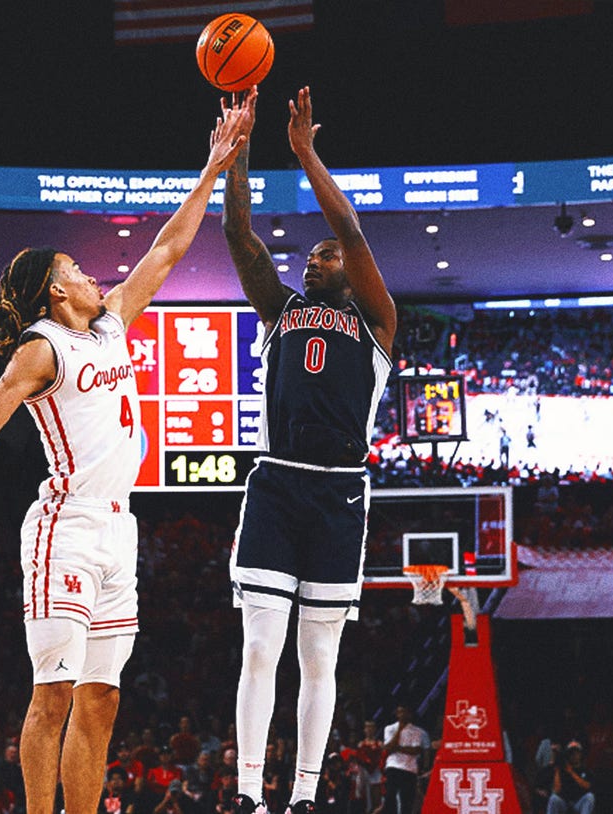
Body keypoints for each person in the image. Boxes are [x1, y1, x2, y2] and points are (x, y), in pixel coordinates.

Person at [0, 95, 252, 814]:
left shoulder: (113, 322)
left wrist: (213, 167)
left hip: (119, 530)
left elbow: (168, 249)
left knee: (101, 701)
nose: (97, 276)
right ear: (57, 290)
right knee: (54, 693)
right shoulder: (43, 348)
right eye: (80, 269)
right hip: (64, 527)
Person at [221, 85, 396, 814]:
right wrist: (239, 149)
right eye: (312, 256)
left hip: (340, 491)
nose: (313, 261)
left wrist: (305, 153)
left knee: (318, 656)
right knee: (260, 649)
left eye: (325, 257)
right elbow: (239, 235)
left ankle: (303, 797)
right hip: (277, 484)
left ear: (350, 272)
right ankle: (247, 795)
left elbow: (350, 229)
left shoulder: (378, 322)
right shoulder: (281, 310)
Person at [381, 707, 427, 814]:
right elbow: (388, 748)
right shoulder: (390, 728)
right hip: (393, 765)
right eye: (399, 712)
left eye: (404, 712)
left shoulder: (416, 731)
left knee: (407, 799)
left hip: (409, 768)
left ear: (409, 714)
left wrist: (397, 748)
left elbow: (415, 750)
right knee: (390, 796)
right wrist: (399, 730)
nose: (401, 714)